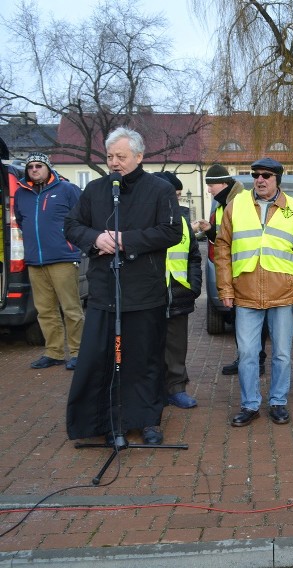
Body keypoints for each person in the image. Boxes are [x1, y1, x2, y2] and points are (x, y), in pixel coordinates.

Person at [65, 127, 182, 445]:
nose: (114, 162)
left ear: (140, 156)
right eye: (110, 156)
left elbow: (172, 232)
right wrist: (95, 238)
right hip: (105, 290)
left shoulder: (159, 189)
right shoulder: (94, 190)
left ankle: (146, 421)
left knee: (143, 359)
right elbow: (73, 225)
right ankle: (107, 421)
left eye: (121, 156)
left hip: (144, 290)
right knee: (102, 359)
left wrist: (123, 241)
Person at [215, 157, 293, 427]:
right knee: (248, 353)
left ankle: (278, 402)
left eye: (266, 175)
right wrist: (225, 287)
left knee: (282, 352)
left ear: (276, 180)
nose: (260, 179)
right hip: (245, 291)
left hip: (283, 293)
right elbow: (222, 249)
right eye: (256, 175)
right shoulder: (236, 207)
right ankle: (250, 405)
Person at [193, 166, 268, 377]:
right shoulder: (222, 204)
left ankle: (256, 360)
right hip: (231, 270)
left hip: (248, 269)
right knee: (239, 319)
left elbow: (242, 236)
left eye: (211, 185)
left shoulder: (243, 201)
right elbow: (224, 238)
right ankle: (245, 358)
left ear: (224, 184)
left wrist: (212, 231)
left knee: (253, 319)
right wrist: (210, 230)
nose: (208, 190)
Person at [14, 152, 84, 370]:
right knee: (45, 310)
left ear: (48, 167)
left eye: (39, 165)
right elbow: (20, 220)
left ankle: (77, 353)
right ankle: (53, 352)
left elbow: (83, 216)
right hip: (35, 261)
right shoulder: (21, 194)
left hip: (63, 258)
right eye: (31, 167)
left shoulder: (67, 189)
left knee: (71, 309)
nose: (34, 170)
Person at [153, 172, 202, 409]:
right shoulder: (145, 217)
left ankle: (176, 388)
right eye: (175, 195)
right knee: (150, 345)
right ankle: (153, 392)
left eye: (180, 196)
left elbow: (193, 255)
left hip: (179, 291)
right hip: (151, 293)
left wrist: (193, 286)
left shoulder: (182, 219)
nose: (177, 199)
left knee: (176, 345)